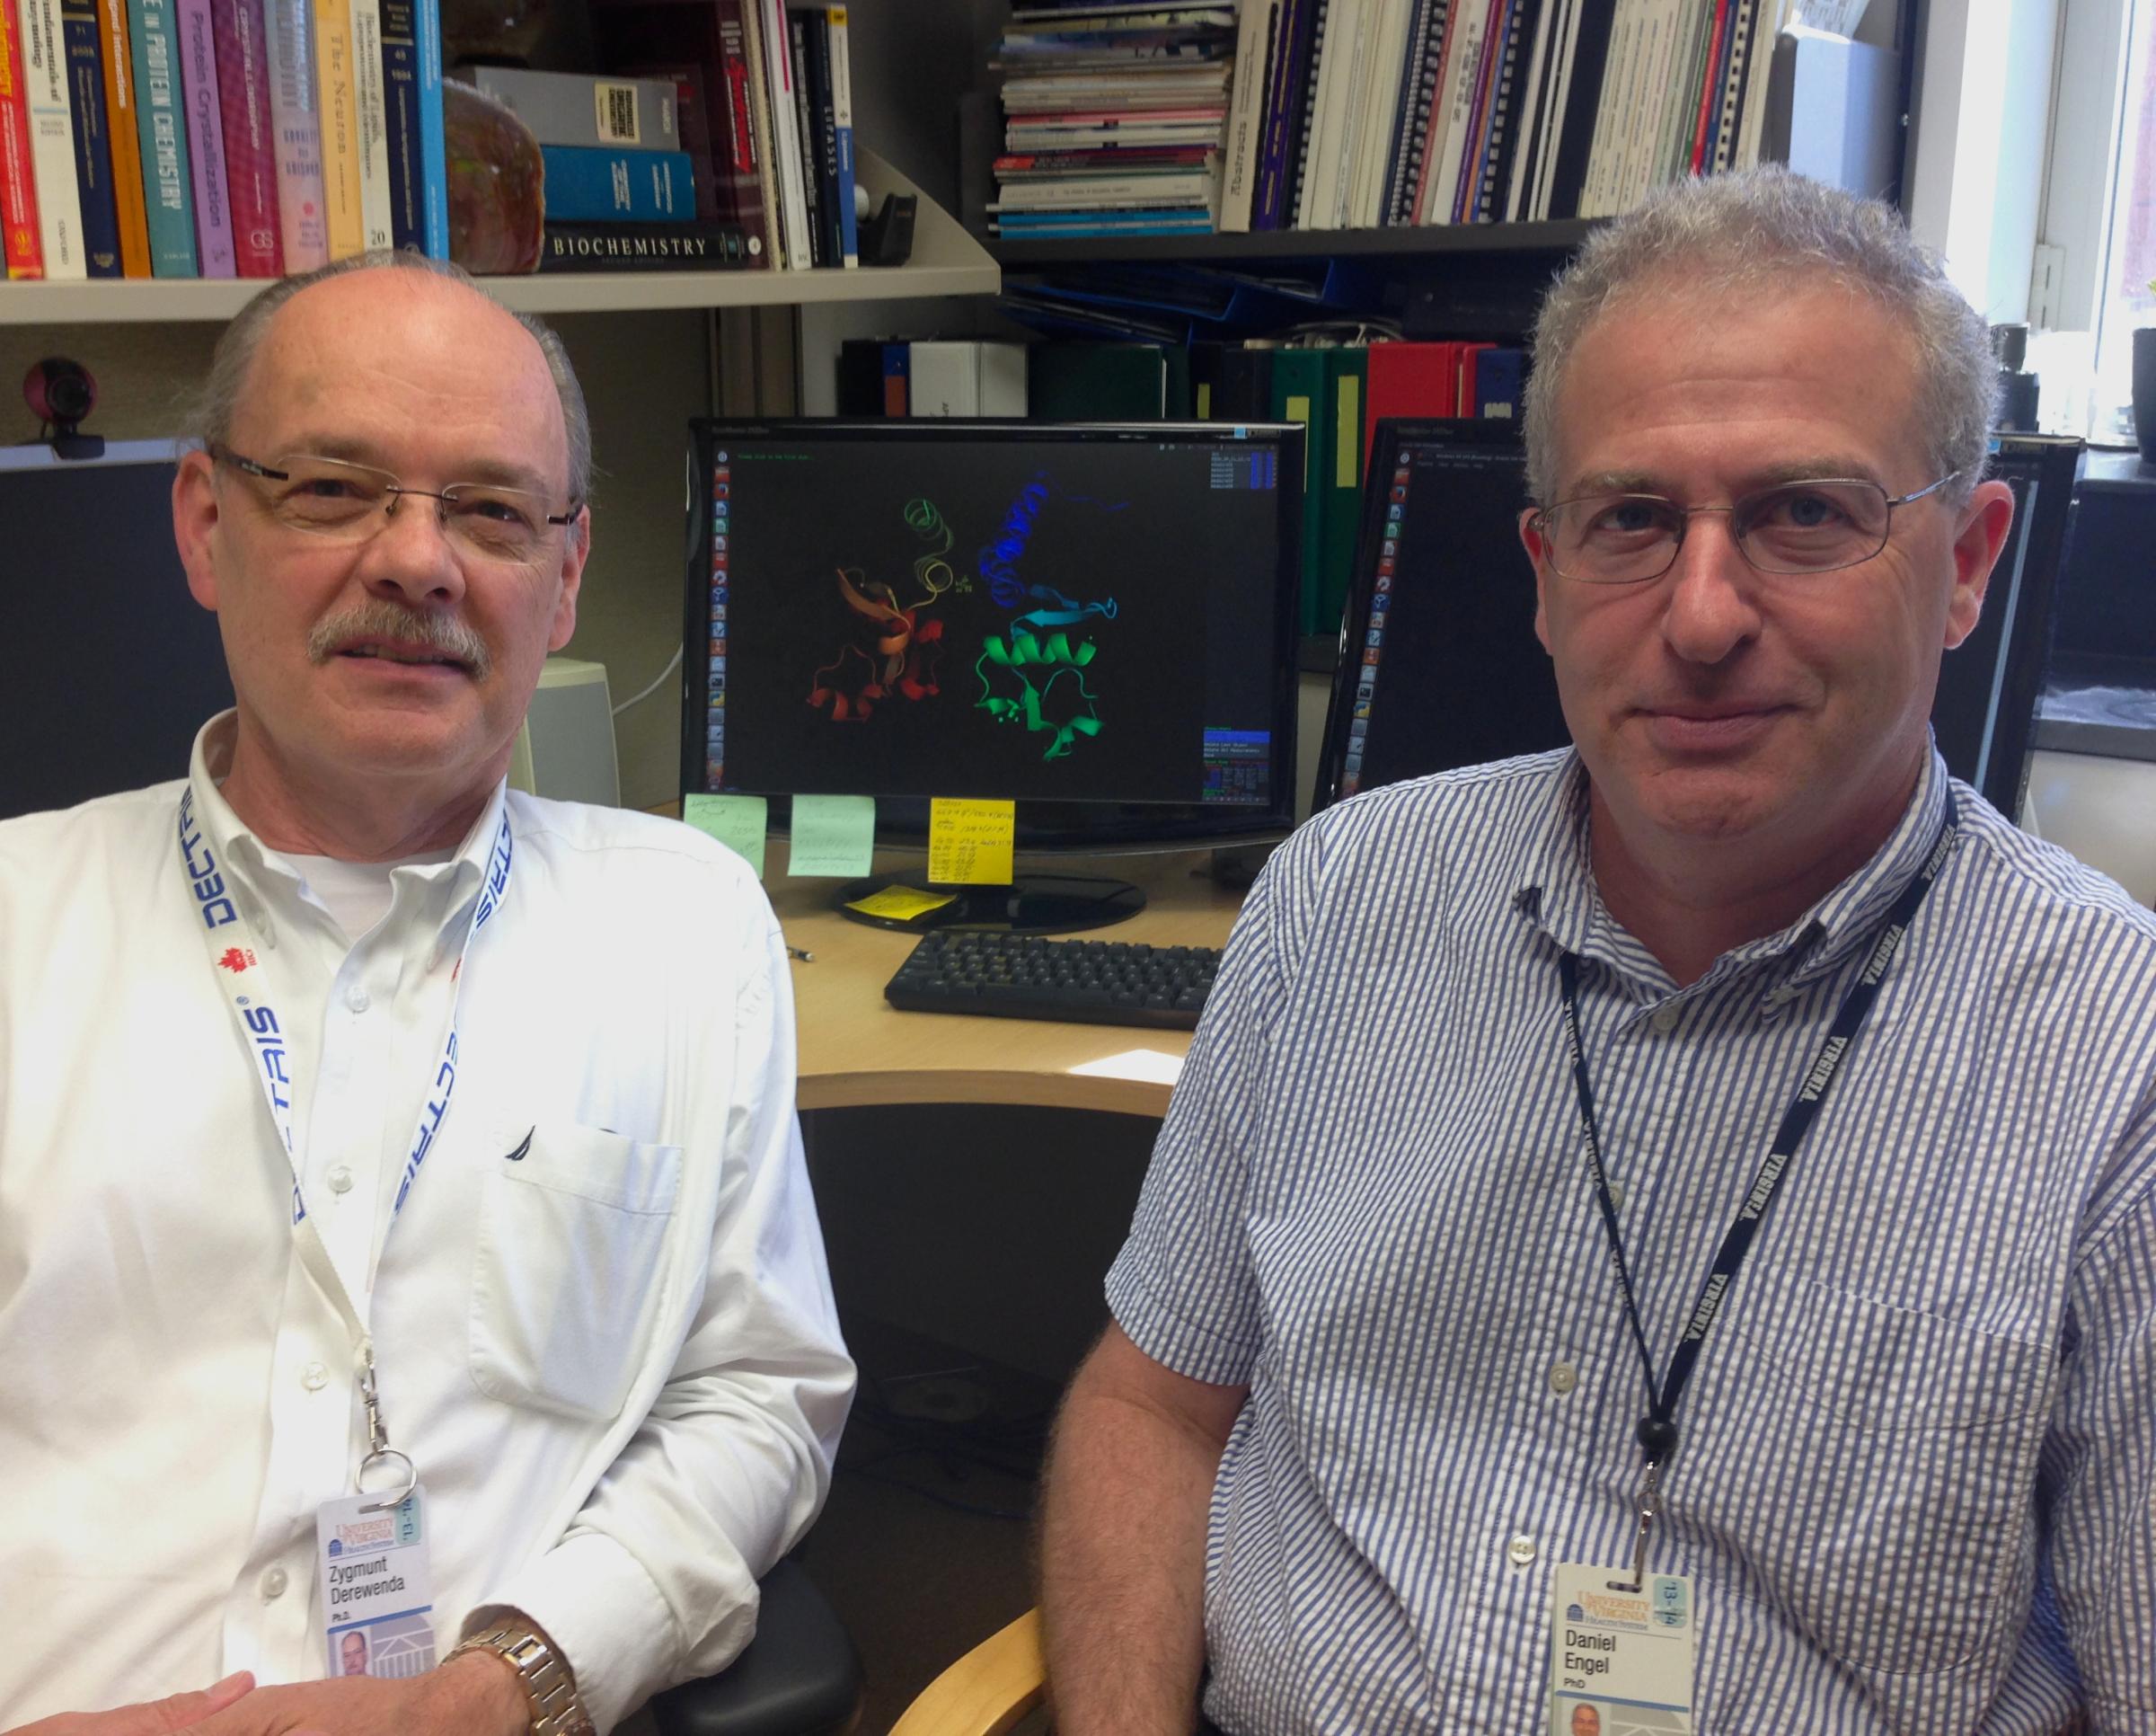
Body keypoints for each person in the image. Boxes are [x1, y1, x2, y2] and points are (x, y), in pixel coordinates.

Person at [1038, 167, 2156, 1733]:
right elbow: (1151, 1410)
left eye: (1805, 514)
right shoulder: (1339, 902)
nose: (1703, 615)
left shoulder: (2121, 1068)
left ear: (1967, 559)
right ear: (1547, 572)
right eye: (1632, 519)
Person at [0, 253, 854, 1733]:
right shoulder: (21, 924)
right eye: (333, 489)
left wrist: (499, 1688)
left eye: (492, 509)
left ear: (567, 576)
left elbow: (755, 1398)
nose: (417, 561)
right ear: (208, 525)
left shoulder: (686, 931)